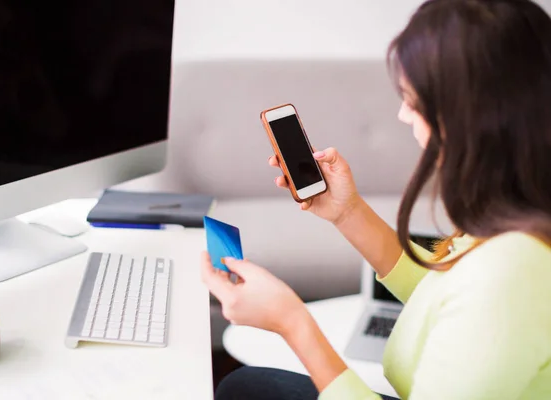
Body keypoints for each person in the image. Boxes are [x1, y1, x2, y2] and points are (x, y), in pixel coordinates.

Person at [201, 0, 551, 398]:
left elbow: (480, 294)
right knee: (247, 387)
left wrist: (293, 322)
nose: (403, 115)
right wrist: (347, 212)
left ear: (467, 118)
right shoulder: (519, 211)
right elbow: (438, 296)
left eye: (413, 101)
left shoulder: (512, 275)